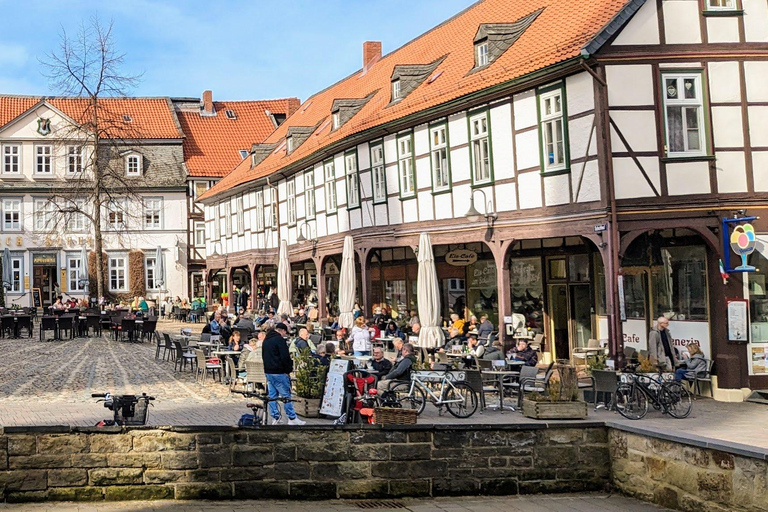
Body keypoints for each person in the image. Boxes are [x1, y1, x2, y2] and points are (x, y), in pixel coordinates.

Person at [261, 323, 305, 425]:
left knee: (272, 396)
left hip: (269, 371)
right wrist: (288, 369)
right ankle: (292, 418)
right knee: (286, 395)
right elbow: (285, 357)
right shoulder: (279, 340)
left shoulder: (266, 340)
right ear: (283, 331)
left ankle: (275, 417)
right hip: (279, 372)